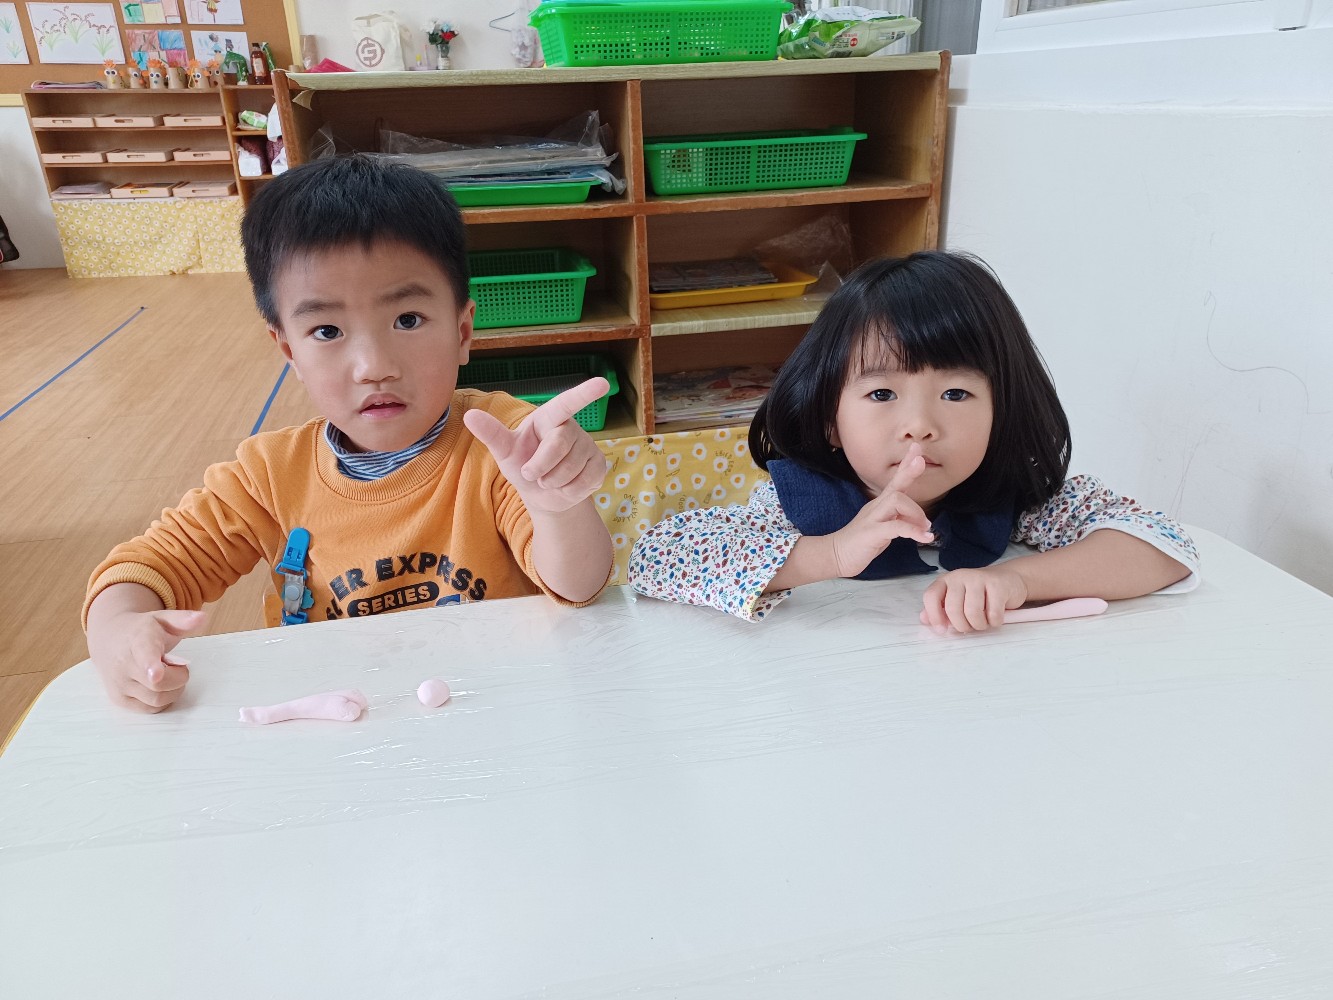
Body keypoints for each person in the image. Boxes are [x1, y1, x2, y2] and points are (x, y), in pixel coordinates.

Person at [83, 155, 613, 712]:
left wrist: (557, 508)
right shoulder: (268, 476)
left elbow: (577, 585)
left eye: (407, 320)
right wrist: (118, 629)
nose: (373, 366)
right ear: (289, 350)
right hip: (336, 725)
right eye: (327, 330)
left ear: (462, 332)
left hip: (491, 708)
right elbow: (150, 566)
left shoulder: (503, 442)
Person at [628, 251, 1197, 628]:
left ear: (1002, 411)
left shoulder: (1018, 495)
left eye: (956, 393)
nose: (920, 425)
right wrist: (832, 552)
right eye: (882, 394)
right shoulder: (797, 505)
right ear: (830, 419)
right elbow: (655, 558)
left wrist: (1014, 579)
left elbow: (1164, 546)